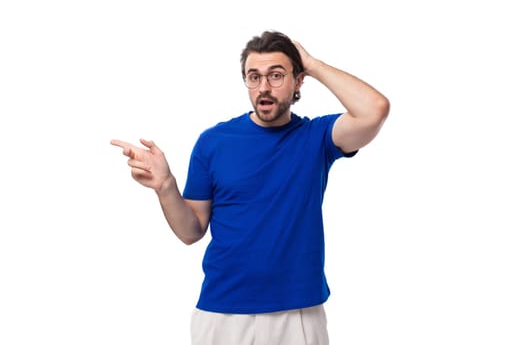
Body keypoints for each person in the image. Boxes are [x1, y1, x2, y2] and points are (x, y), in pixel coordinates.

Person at [111, 30, 389, 345]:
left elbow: (374, 110)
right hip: (223, 312)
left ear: (298, 82)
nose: (264, 88)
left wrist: (311, 63)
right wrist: (165, 185)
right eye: (254, 77)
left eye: (277, 76)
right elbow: (191, 231)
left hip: (298, 312)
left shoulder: (317, 137)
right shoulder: (214, 142)